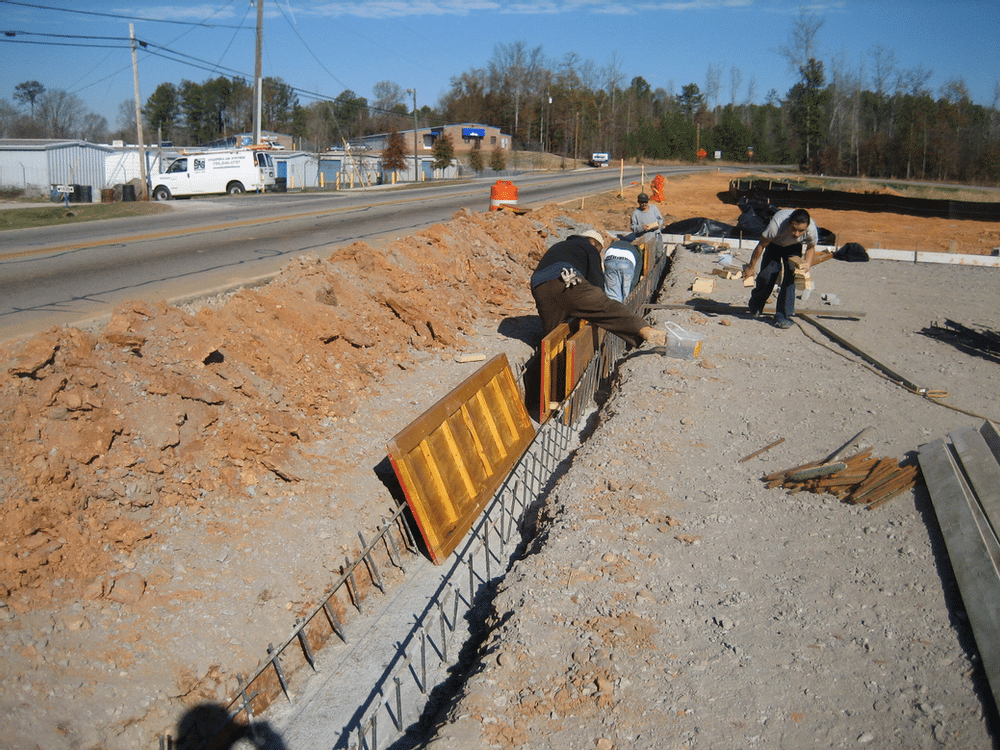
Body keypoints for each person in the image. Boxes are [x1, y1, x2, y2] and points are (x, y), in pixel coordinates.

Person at [531, 229, 666, 348]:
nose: (598, 252)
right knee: (606, 307)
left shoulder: (559, 246)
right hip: (568, 279)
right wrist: (594, 303)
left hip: (539, 286)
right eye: (599, 250)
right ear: (593, 242)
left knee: (553, 336)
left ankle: (550, 373)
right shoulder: (588, 247)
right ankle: (643, 329)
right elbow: (596, 281)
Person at [742, 208, 818, 329]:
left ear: (807, 226)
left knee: (790, 281)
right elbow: (761, 246)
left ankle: (783, 316)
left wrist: (807, 265)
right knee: (767, 276)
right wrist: (751, 267)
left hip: (794, 248)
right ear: (788, 223)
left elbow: (811, 247)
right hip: (774, 245)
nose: (797, 234)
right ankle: (756, 306)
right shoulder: (776, 224)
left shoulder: (811, 229)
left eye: (801, 231)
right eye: (794, 229)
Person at [603, 239, 644, 303]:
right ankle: (624, 310)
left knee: (613, 294)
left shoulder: (613, 245)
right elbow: (636, 276)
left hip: (610, 258)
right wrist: (631, 288)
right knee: (626, 294)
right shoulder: (637, 255)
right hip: (627, 260)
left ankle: (613, 310)